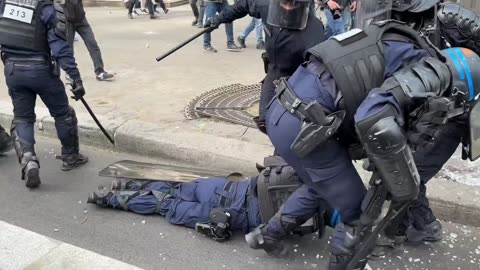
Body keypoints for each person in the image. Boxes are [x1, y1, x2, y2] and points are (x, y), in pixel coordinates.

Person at [243, 0, 480, 269]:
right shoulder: (427, 66)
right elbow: (375, 118)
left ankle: (266, 235)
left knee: (319, 186)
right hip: (307, 127)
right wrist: (397, 173)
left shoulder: (389, 34)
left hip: (284, 113)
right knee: (360, 214)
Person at [88, 156, 340, 244]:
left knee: (181, 190)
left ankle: (126, 187)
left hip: (233, 188)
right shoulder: (305, 220)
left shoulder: (312, 177)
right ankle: (111, 198)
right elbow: (270, 234)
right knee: (170, 206)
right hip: (231, 211)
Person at [0, 0, 89, 188]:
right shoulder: (47, 8)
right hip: (41, 71)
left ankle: (28, 160)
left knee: (22, 119)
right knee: (64, 114)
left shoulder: (4, 4)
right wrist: (75, 78)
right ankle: (70, 157)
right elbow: (60, 49)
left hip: (13, 70)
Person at [204, 0, 325, 133]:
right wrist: (218, 19)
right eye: (285, 3)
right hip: (274, 71)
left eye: (294, 4)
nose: (288, 8)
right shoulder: (265, 5)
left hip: (297, 78)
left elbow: (317, 69)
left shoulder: (315, 29)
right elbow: (242, 5)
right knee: (264, 121)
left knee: (290, 125)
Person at [63, 0, 115, 80]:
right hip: (67, 20)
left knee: (92, 44)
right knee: (68, 48)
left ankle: (100, 72)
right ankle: (70, 73)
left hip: (81, 19)